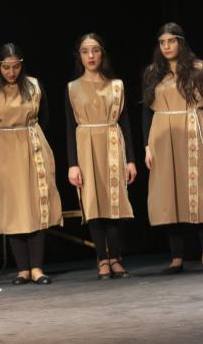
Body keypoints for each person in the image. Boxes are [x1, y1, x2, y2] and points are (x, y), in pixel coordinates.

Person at [0, 43, 62, 285]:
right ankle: (22, 269)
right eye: (6, 67)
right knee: (12, 204)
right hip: (3, 150)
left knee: (35, 202)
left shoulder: (33, 85)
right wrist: (3, 141)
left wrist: (28, 137)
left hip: (32, 145)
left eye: (15, 67)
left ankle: (37, 267)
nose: (11, 72)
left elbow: (45, 117)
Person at [142, 22, 203, 274]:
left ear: (180, 43)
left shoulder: (198, 68)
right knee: (169, 193)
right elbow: (146, 112)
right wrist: (147, 146)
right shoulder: (152, 72)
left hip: (195, 132)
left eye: (171, 41)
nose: (166, 46)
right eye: (162, 42)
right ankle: (176, 257)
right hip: (163, 136)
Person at [65, 34, 136, 279]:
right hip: (86, 146)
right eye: (85, 51)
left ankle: (115, 257)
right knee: (93, 203)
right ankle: (101, 259)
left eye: (95, 50)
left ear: (102, 53)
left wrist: (130, 160)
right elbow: (69, 128)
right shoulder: (73, 88)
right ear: (79, 56)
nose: (91, 56)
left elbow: (125, 123)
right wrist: (72, 164)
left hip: (112, 144)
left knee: (112, 202)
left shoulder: (116, 86)